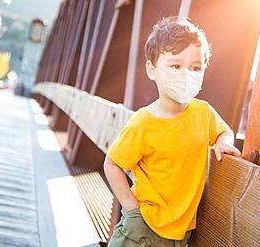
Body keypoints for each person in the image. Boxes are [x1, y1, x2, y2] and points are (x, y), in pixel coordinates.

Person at [103, 16, 241, 247]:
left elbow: (224, 132)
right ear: (152, 69)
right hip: (142, 230)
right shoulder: (143, 123)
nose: (186, 74)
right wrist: (131, 209)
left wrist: (223, 142)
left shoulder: (203, 113)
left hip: (180, 236)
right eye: (175, 66)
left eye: (195, 67)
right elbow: (113, 163)